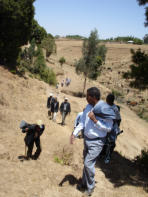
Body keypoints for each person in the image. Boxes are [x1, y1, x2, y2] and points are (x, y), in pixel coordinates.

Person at [70, 87, 115, 196]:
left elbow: (109, 128)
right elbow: (82, 122)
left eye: (87, 96)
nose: (86, 98)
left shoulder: (105, 109)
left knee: (88, 164)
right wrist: (74, 133)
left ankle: (90, 187)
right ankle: (84, 183)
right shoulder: (88, 107)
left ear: (93, 97)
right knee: (86, 164)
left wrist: (95, 120)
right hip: (87, 140)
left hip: (97, 142)